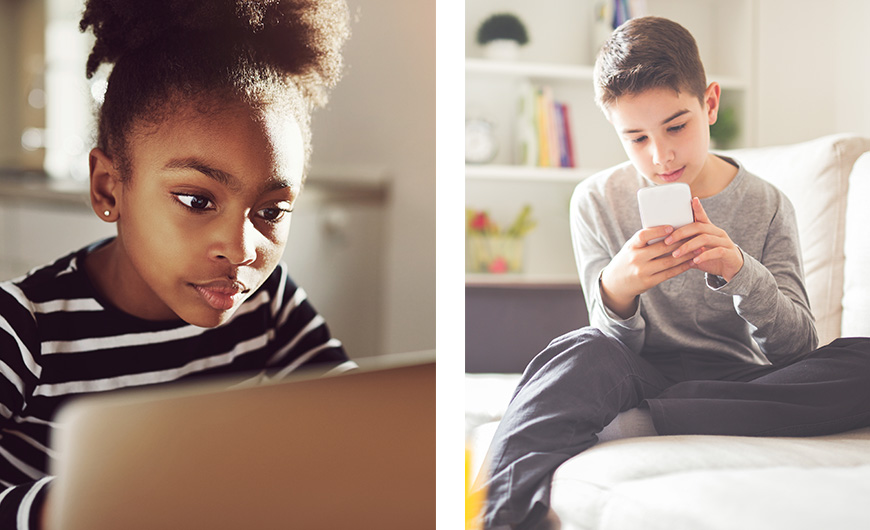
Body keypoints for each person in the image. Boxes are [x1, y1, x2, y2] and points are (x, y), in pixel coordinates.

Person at [478, 16, 870, 530]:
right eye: (635, 138)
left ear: (709, 103)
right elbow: (609, 347)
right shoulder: (596, 202)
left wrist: (740, 273)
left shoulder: (768, 204)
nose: (660, 156)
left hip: (740, 378)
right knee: (577, 350)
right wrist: (618, 292)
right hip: (636, 376)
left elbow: (797, 349)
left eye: (676, 127)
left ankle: (646, 421)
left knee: (862, 358)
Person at [0, 0, 354, 527]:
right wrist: (61, 507)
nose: (240, 249)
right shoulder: (24, 325)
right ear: (108, 188)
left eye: (271, 211)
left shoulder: (269, 302)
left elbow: (356, 424)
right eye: (197, 200)